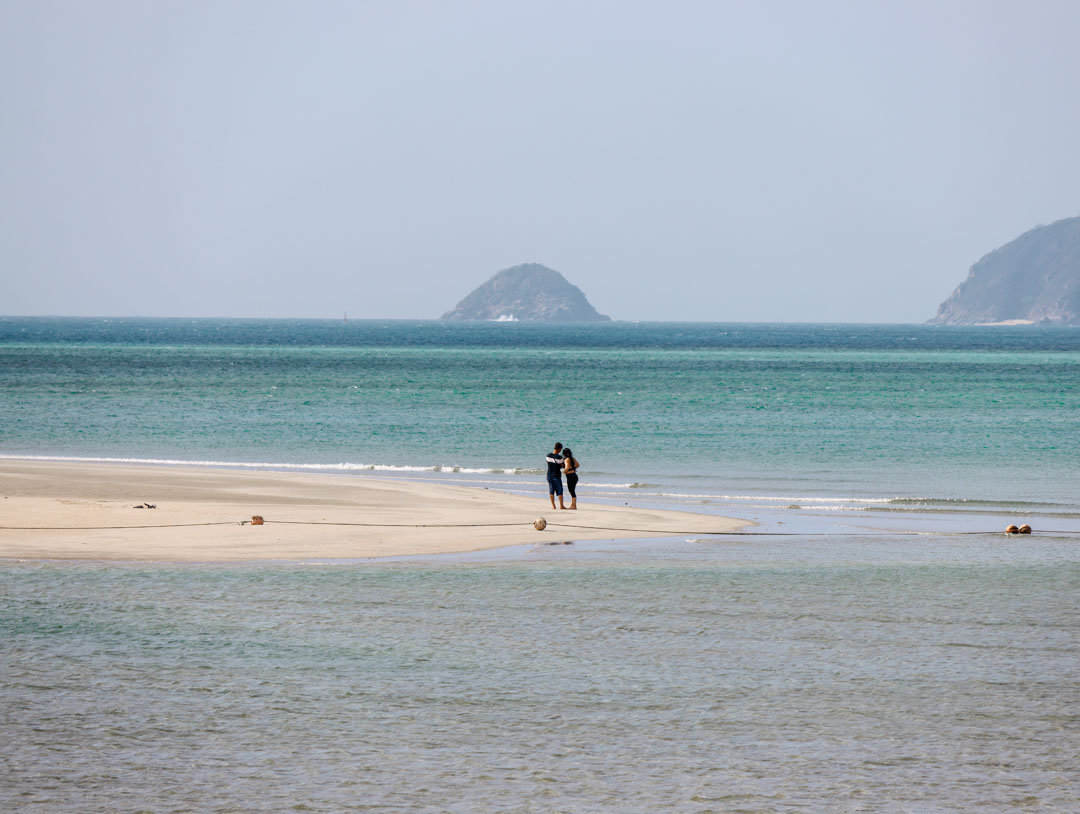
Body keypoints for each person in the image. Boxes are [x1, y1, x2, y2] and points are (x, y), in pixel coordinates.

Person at [545, 443, 566, 510]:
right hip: (556, 475)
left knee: (551, 490)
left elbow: (549, 463)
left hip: (549, 475)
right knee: (559, 490)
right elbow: (563, 466)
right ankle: (561, 505)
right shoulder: (560, 458)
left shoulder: (548, 456)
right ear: (559, 449)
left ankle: (553, 505)